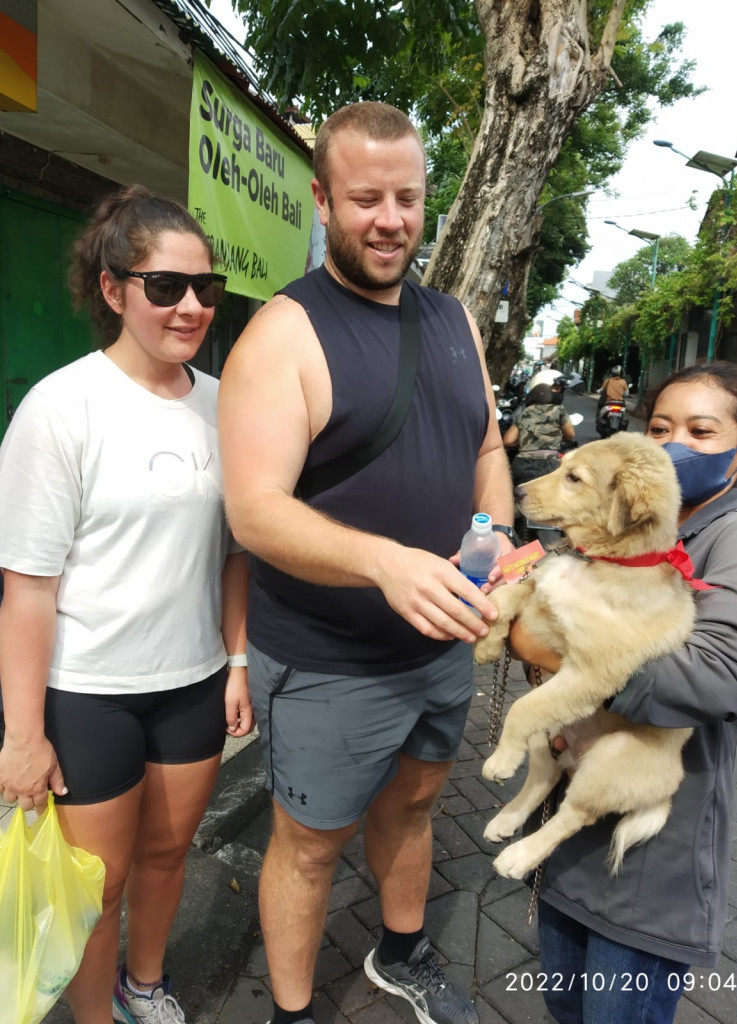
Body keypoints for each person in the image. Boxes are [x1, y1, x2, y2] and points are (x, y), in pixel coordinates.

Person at [217, 101, 514, 1024]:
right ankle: (294, 1011)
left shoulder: (455, 318)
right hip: (328, 659)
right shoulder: (284, 334)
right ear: (321, 200)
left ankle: (400, 950)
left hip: (439, 646)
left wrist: (492, 536)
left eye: (407, 198)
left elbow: (489, 448)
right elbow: (255, 512)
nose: (390, 220)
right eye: (364, 200)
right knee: (308, 845)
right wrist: (387, 563)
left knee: (418, 804)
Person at [0, 185, 253, 1024]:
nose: (190, 307)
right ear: (113, 290)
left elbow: (233, 553)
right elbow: (27, 592)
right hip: (88, 691)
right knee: (95, 889)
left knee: (167, 854)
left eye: (205, 290)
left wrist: (238, 659)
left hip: (192, 682)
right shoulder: (60, 409)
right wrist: (24, 736)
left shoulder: (226, 407)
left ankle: (147, 986)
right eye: (165, 287)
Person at [506, 361, 737, 1023]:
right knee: (565, 1010)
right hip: (568, 851)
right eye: (659, 427)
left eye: (701, 431)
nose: (671, 445)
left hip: (650, 872)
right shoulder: (619, 531)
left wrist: (558, 648)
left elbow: (722, 677)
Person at [503, 382, 576, 483]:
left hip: (522, 466)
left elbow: (507, 441)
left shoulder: (525, 412)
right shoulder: (559, 410)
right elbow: (570, 435)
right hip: (550, 465)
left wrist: (523, 439)